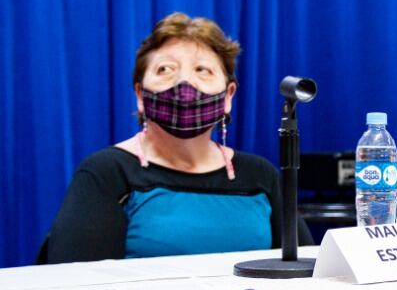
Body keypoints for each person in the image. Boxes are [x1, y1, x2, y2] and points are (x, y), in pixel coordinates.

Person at [45, 13, 312, 262]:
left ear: (228, 95)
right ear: (140, 95)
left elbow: (303, 270)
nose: (185, 84)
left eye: (202, 70)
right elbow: (75, 280)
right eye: (165, 70)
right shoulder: (107, 172)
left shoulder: (259, 175)